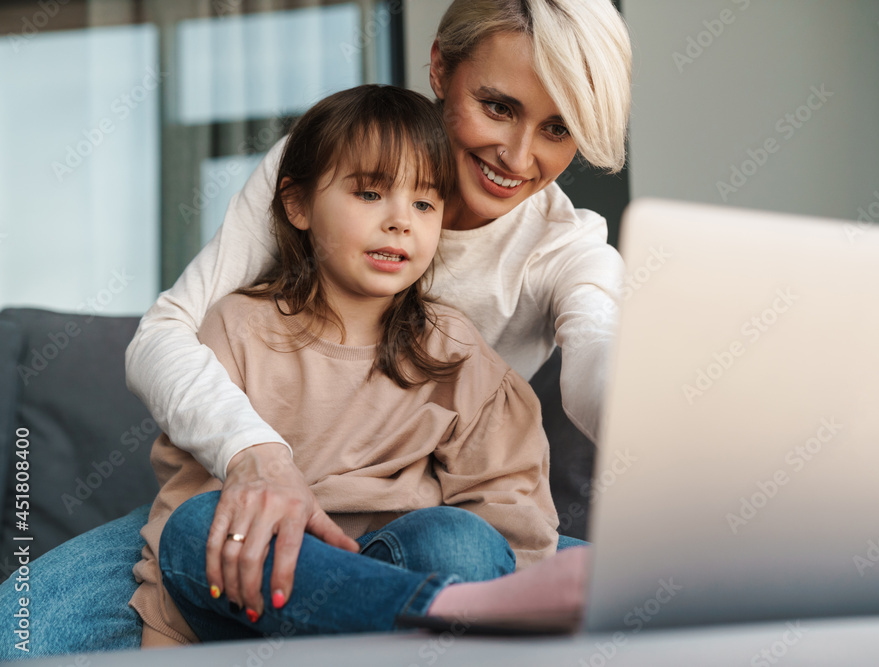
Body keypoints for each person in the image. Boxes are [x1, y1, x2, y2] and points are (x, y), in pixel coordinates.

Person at [0, 0, 630, 658]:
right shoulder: (322, 165)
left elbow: (595, 361)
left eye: (558, 129)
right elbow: (164, 336)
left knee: (616, 586)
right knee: (25, 632)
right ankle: (434, 613)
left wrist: (660, 429)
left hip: (430, 513)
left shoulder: (567, 251)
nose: (517, 154)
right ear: (440, 67)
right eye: (497, 106)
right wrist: (257, 458)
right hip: (264, 500)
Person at [135, 83, 582, 647]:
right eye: (370, 194)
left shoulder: (455, 351)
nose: (401, 222)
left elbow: (511, 505)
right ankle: (437, 610)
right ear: (297, 204)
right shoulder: (237, 328)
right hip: (269, 600)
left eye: (424, 204)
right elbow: (187, 511)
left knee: (462, 540)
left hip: (412, 573)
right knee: (193, 528)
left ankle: (441, 608)